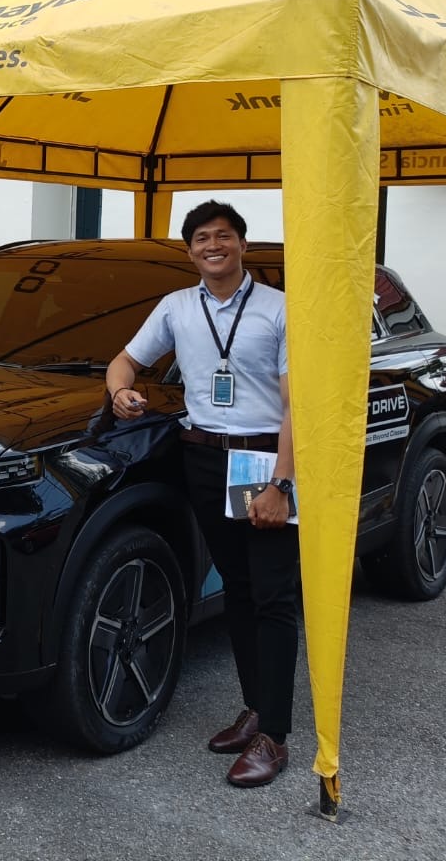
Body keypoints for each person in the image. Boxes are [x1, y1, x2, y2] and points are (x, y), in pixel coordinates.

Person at [105, 201, 297, 788]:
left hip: (260, 459)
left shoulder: (278, 309)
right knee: (237, 589)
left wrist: (281, 485)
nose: (213, 246)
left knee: (271, 597)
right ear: (189, 251)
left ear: (243, 243)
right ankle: (255, 709)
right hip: (204, 457)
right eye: (201, 239)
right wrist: (121, 393)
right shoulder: (177, 307)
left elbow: (298, 405)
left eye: (224, 236)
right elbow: (123, 362)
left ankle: (276, 736)